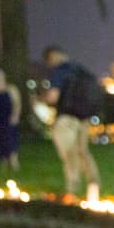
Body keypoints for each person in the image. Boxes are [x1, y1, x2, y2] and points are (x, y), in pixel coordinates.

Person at [41, 46, 101, 197]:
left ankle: (72, 189)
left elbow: (53, 97)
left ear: (52, 56)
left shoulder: (59, 71)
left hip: (66, 117)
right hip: (84, 117)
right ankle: (93, 187)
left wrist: (41, 99)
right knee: (83, 152)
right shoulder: (81, 70)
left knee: (69, 153)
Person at [0, 67, 21, 173]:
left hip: (8, 118)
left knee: (10, 140)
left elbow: (17, 103)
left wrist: (15, 115)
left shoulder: (10, 88)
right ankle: (3, 164)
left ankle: (14, 162)